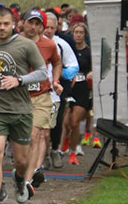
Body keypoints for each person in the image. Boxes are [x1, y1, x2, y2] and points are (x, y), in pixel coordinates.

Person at [0, 6, 47, 204]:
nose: (1, 28)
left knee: (21, 160)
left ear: (14, 24)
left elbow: (42, 72)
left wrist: (19, 80)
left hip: (20, 109)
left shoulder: (26, 45)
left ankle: (19, 179)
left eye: (6, 24)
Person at [20, 10, 61, 189]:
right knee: (20, 140)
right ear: (23, 23)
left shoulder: (49, 45)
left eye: (37, 24)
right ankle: (22, 170)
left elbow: (57, 62)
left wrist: (56, 80)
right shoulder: (15, 42)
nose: (33, 27)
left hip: (41, 96)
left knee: (35, 134)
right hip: (18, 96)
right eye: (30, 22)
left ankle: (27, 180)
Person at [43, 12, 79, 168]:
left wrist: (60, 74)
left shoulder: (61, 44)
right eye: (46, 27)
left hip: (56, 92)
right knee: (41, 127)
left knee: (56, 124)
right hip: (36, 91)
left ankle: (55, 150)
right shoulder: (33, 43)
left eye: (52, 27)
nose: (49, 31)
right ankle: (42, 155)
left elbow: (73, 66)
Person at [61, 23, 93, 165]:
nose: (78, 35)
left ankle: (72, 152)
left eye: (81, 32)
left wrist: (92, 73)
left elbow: (97, 68)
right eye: (76, 32)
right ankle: (64, 145)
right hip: (69, 88)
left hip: (83, 90)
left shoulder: (89, 52)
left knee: (74, 122)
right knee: (65, 123)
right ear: (72, 34)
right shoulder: (68, 50)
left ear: (84, 34)